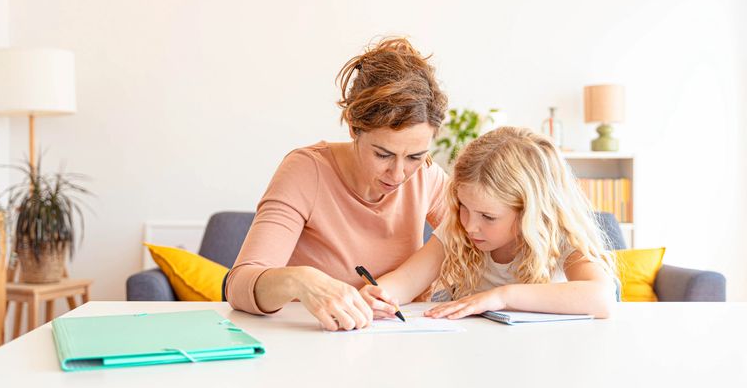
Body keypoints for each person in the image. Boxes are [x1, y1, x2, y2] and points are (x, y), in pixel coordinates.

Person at [225, 37, 450, 330]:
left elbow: (485, 242)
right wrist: (301, 280)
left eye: (415, 156)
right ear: (354, 126)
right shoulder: (306, 171)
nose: (398, 174)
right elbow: (238, 285)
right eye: (383, 154)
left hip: (400, 346)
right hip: (313, 344)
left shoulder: (426, 177)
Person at [360, 126, 618, 320]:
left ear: (531, 212)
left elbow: (602, 298)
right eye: (463, 208)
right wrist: (376, 295)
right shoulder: (459, 230)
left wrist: (502, 297)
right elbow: (407, 279)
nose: (470, 226)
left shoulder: (560, 239)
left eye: (488, 217)